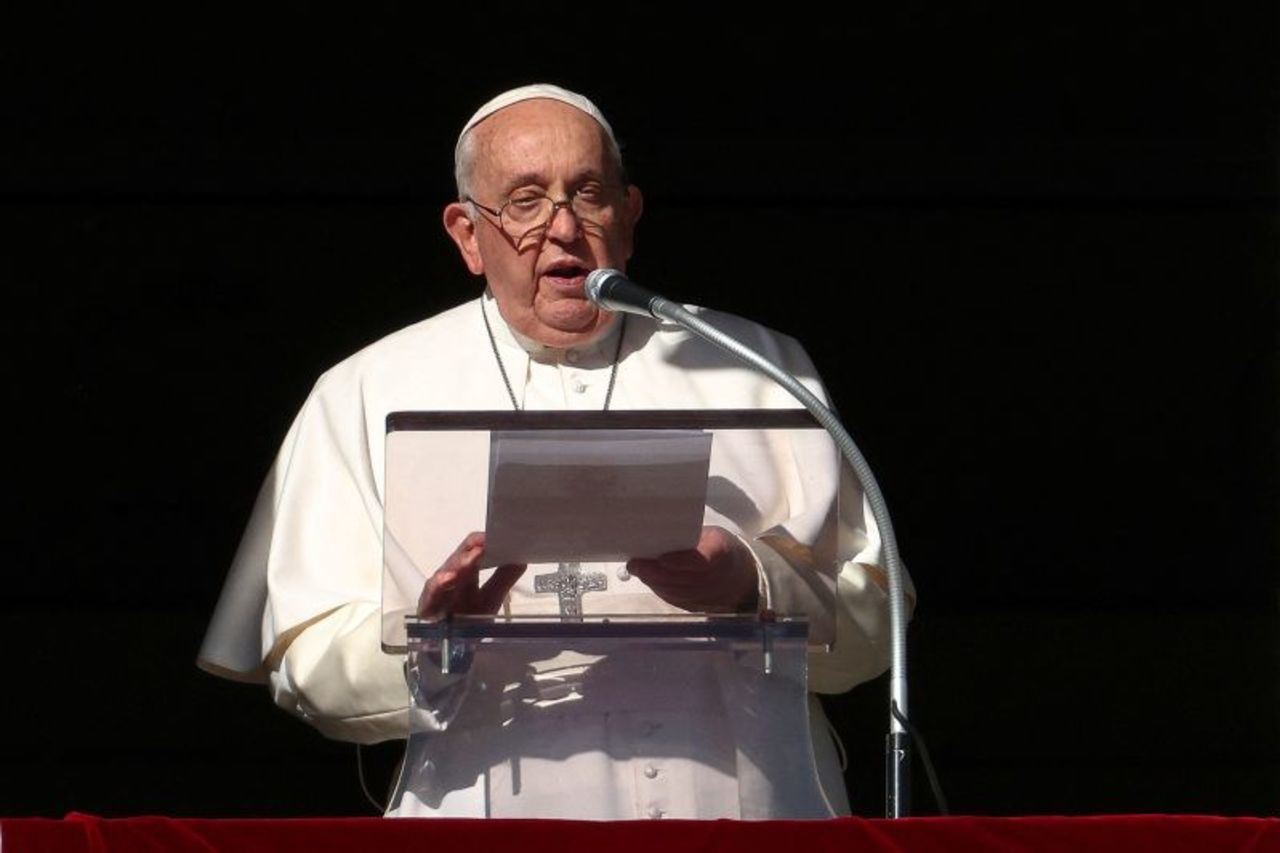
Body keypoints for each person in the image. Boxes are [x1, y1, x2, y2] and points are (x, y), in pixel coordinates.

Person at [198, 83, 909, 819]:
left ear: (628, 217)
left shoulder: (755, 366)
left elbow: (876, 629)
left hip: (748, 816)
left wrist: (754, 588)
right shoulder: (365, 389)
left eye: (589, 194)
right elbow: (307, 666)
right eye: (526, 201)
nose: (564, 228)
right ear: (468, 235)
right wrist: (433, 636)